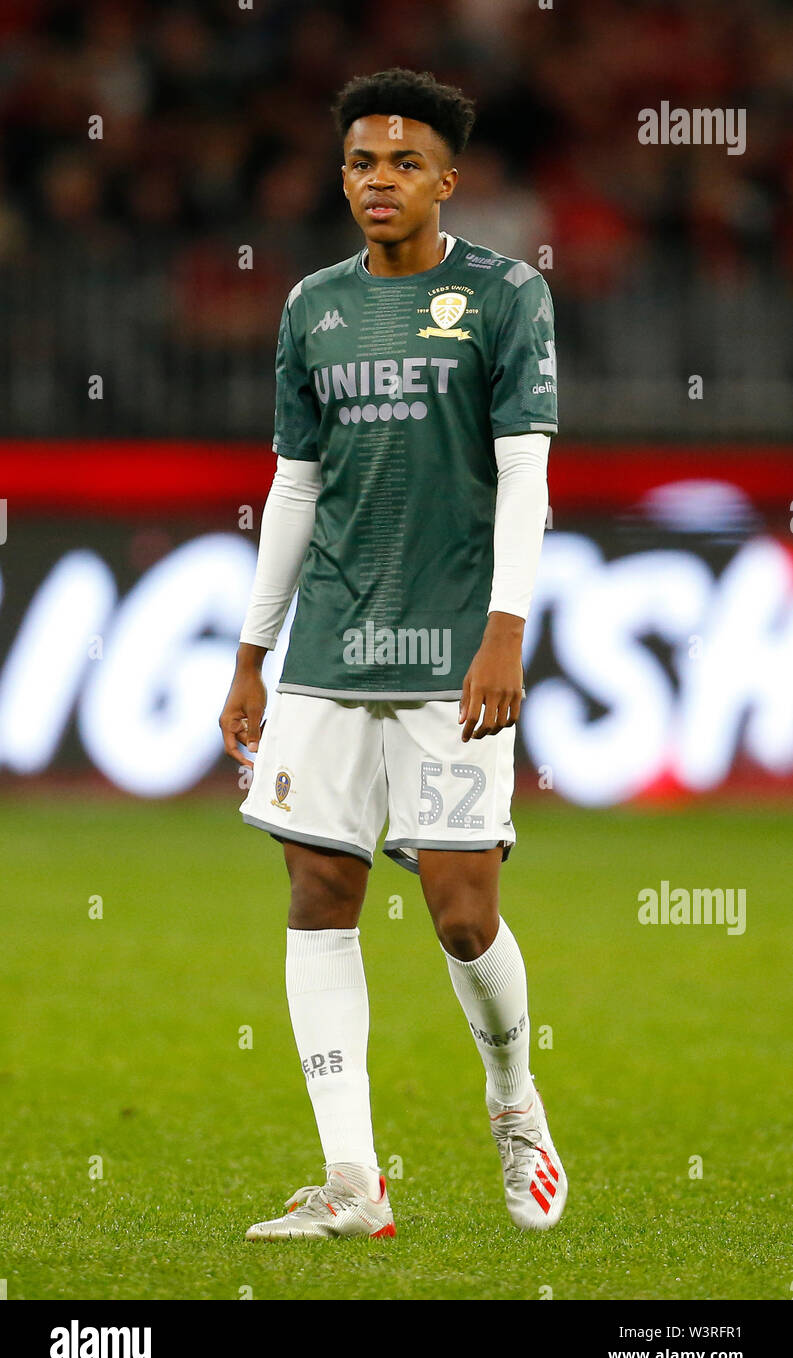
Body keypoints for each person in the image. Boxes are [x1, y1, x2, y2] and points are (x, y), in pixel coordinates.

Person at [219, 66, 566, 1240]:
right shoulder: (312, 304)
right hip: (327, 649)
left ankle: (515, 1108)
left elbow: (524, 470)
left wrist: (505, 629)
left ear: (446, 181)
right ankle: (353, 1182)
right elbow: (294, 483)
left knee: (463, 915)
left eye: (403, 162)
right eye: (362, 161)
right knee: (319, 893)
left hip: (455, 649)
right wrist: (251, 652)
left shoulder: (507, 294)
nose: (379, 179)